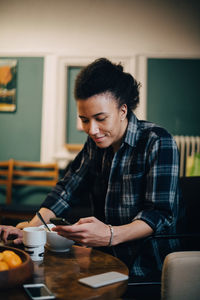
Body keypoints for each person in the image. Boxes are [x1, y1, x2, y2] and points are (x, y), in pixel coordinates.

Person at [0, 58, 183, 278]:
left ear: (123, 110)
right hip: (103, 262)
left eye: (100, 118)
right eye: (85, 120)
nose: (92, 130)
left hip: (146, 268)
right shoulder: (95, 144)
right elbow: (66, 190)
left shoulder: (158, 141)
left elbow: (160, 214)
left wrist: (110, 234)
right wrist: (28, 229)